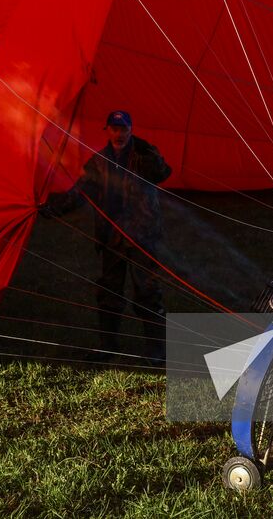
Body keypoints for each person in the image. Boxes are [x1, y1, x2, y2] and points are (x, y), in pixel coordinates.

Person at [40, 110, 172, 362]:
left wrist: (150, 151)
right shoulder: (98, 162)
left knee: (147, 291)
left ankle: (157, 352)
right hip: (112, 238)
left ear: (131, 130)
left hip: (141, 237)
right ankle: (108, 346)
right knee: (109, 292)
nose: (119, 134)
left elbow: (163, 173)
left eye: (123, 129)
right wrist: (53, 208)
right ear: (107, 131)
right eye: (114, 128)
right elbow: (80, 193)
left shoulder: (142, 158)